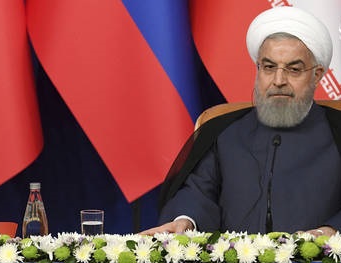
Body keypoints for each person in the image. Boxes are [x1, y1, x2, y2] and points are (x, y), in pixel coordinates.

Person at [144, 6, 341, 237]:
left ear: (317, 75)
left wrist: (331, 231)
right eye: (269, 67)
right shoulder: (223, 131)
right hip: (233, 259)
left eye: (293, 69)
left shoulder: (336, 130)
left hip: (321, 259)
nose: (278, 80)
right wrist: (186, 220)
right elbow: (198, 192)